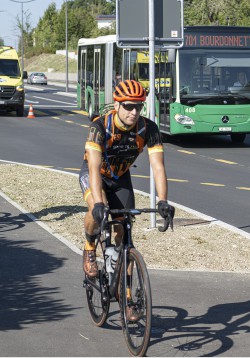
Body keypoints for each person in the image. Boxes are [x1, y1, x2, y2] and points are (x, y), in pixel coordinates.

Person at [79, 79, 174, 319]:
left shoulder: (148, 129)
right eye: (129, 106)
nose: (134, 112)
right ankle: (90, 245)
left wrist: (163, 201)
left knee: (124, 237)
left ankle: (126, 294)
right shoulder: (100, 127)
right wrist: (99, 203)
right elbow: (93, 166)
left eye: (139, 107)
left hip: (121, 178)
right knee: (94, 209)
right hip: (96, 176)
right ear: (117, 105)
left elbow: (158, 167)